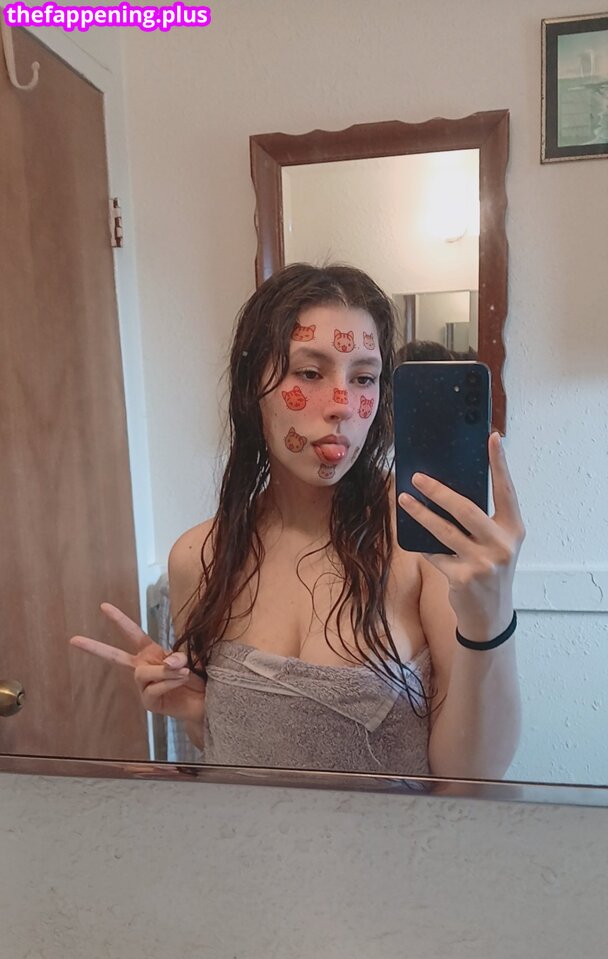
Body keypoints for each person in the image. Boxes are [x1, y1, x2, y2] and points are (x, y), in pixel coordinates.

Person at [71, 263, 525, 778]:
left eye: (364, 378)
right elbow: (230, 750)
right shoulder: (200, 558)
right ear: (253, 387)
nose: (342, 406)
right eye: (310, 373)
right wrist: (197, 711)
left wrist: (491, 617)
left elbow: (470, 779)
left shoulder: (423, 547)